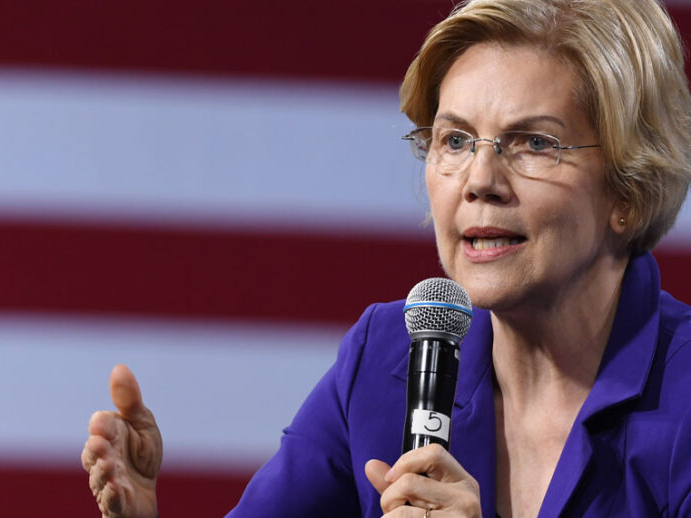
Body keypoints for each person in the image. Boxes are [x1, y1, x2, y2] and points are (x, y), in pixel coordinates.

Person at [81, 0, 691, 516]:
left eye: (533, 142)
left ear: (628, 189)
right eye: (455, 140)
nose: (479, 180)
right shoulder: (385, 356)